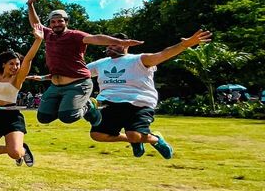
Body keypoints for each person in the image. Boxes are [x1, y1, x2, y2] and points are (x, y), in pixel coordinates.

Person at [87, 29, 212, 158]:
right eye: (108, 44)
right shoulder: (101, 63)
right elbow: (78, 73)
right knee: (97, 135)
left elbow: (163, 54)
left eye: (114, 44)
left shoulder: (139, 60)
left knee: (134, 135)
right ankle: (135, 140)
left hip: (138, 102)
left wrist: (183, 45)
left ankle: (155, 139)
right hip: (109, 102)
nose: (109, 47)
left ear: (126, 44)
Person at [26, 0, 143, 128]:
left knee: (68, 117)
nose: (56, 24)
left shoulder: (75, 35)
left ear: (66, 22)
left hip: (77, 83)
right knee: (43, 118)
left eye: (60, 21)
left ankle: (89, 106)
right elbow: (35, 24)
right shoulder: (48, 35)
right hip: (55, 86)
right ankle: (67, 104)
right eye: (53, 22)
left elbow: (97, 38)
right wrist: (30, 4)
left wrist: (122, 41)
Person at [0, 21, 43, 166]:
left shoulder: (17, 79)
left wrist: (38, 40)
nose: (15, 67)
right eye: (11, 64)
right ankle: (16, 148)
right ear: (3, 64)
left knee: (15, 153)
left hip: (12, 117)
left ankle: (21, 150)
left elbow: (28, 59)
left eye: (17, 64)